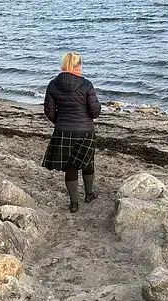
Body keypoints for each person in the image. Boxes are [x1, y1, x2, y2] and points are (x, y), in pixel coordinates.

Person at [42, 52, 101, 213]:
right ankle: (89, 195)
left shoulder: (53, 84)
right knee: (88, 162)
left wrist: (60, 121)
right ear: (79, 66)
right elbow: (95, 112)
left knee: (70, 166)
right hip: (85, 131)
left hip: (63, 130)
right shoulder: (86, 84)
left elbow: (49, 111)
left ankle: (74, 204)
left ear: (63, 65)